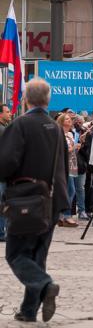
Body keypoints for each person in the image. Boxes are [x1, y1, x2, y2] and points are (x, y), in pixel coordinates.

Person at [0, 78, 69, 322]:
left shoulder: (20, 125)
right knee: (38, 255)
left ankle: (44, 283)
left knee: (17, 254)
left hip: (26, 200)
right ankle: (29, 310)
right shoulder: (56, 128)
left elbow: (6, 163)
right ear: (48, 99)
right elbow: (64, 167)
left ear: (25, 99)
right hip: (52, 200)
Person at [56, 113, 80, 228]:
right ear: (61, 121)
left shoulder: (71, 134)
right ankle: (66, 215)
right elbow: (64, 150)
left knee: (69, 191)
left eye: (70, 119)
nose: (69, 120)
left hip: (72, 165)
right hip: (64, 166)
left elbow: (72, 150)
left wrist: (77, 147)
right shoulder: (59, 134)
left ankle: (61, 215)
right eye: (66, 119)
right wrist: (74, 147)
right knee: (71, 190)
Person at [0, 103, 11, 242]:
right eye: (7, 112)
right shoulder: (3, 130)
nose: (10, 114)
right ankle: (2, 233)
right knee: (3, 202)